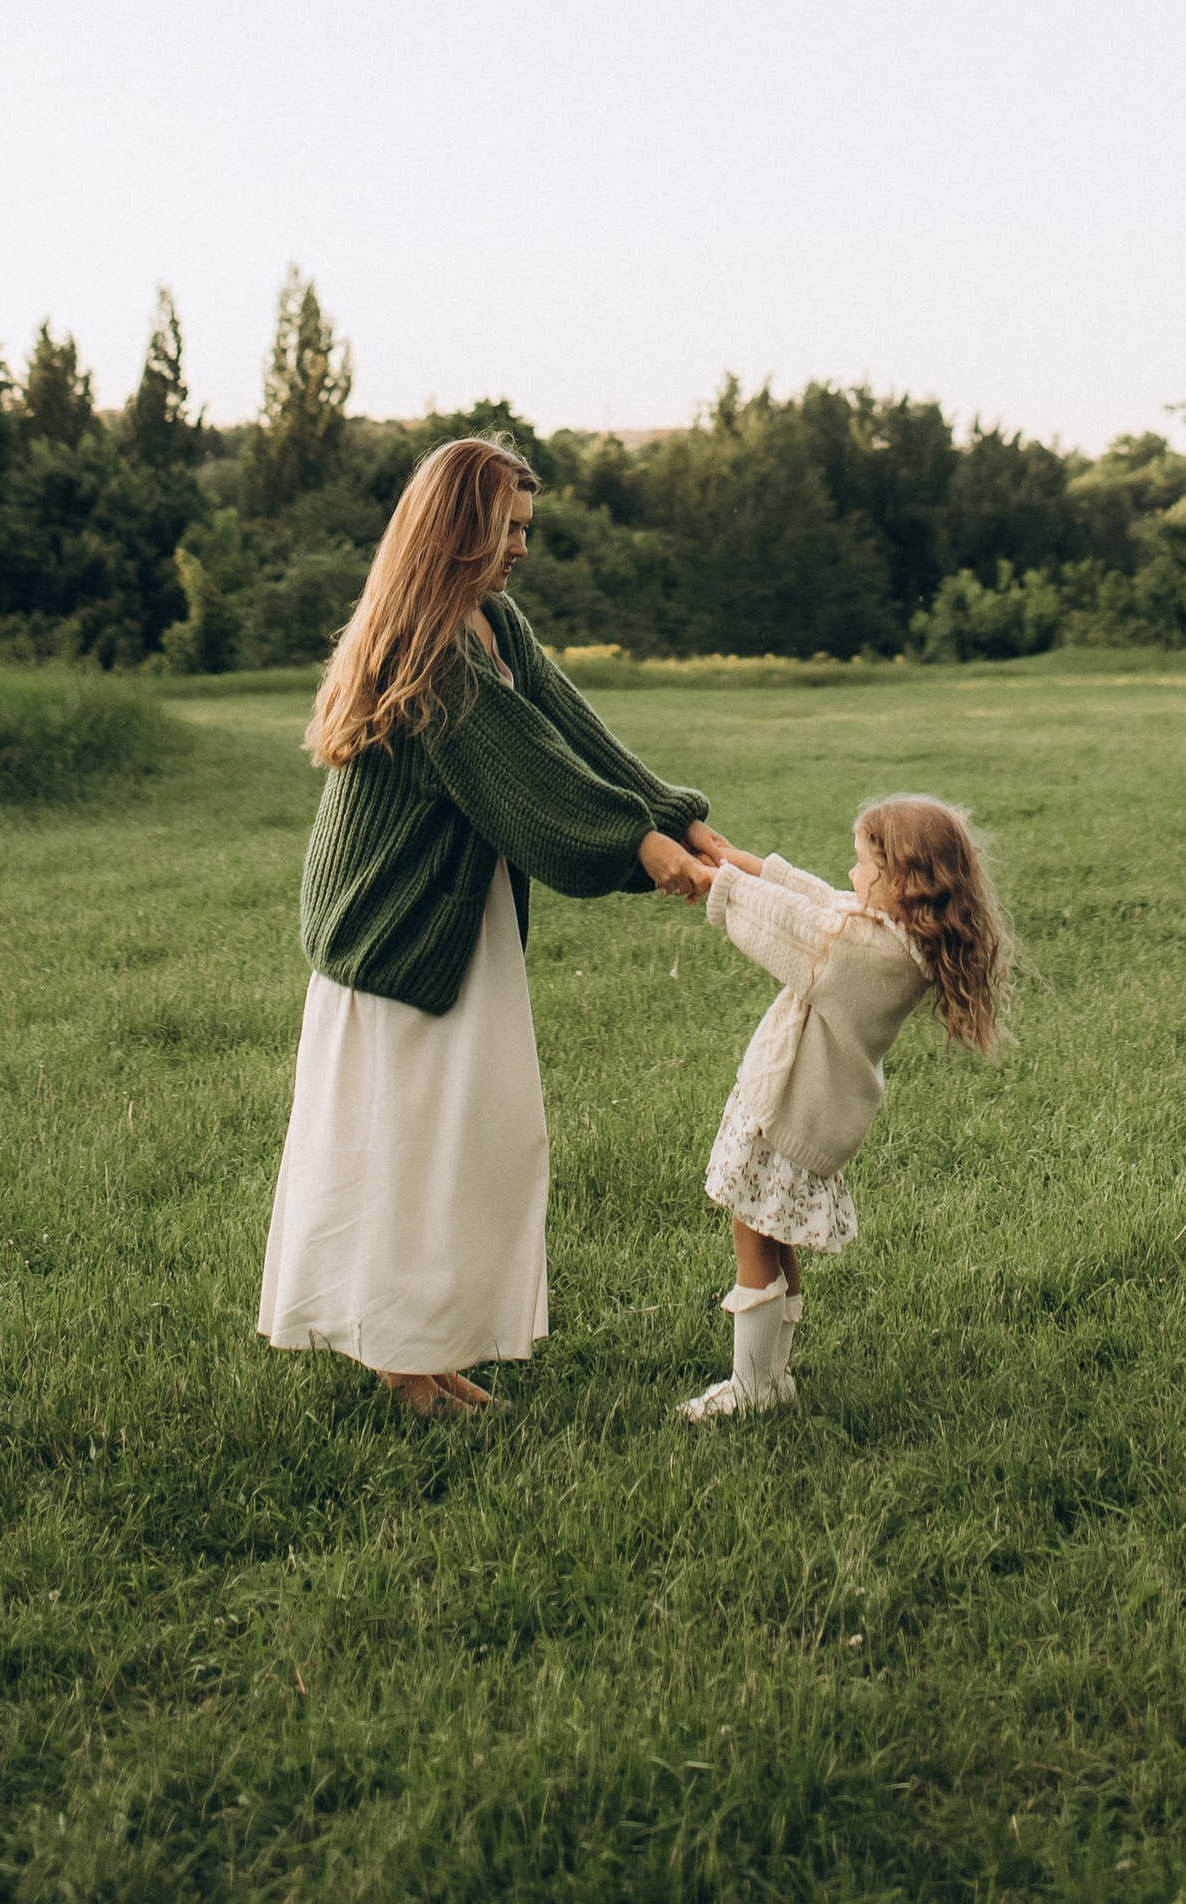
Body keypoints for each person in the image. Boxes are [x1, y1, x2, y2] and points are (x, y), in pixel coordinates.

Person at [258, 433, 728, 1415]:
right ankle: (404, 1362)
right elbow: (528, 780)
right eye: (507, 527)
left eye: (525, 527)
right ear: (458, 526)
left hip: (452, 918)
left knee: (469, 1142)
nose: (520, 547)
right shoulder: (425, 651)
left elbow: (571, 728)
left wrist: (681, 817)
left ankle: (416, 1349)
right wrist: (641, 848)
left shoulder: (490, 620)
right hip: (394, 930)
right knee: (411, 1151)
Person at [679, 794, 1010, 1421]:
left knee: (753, 1237)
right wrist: (738, 862)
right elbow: (819, 901)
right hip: (806, 1118)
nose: (852, 876)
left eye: (862, 864)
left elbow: (795, 926)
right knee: (776, 1238)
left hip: (788, 1118)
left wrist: (712, 882)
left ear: (900, 882)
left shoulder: (866, 957)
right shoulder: (894, 938)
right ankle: (771, 1379)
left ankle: (749, 1388)